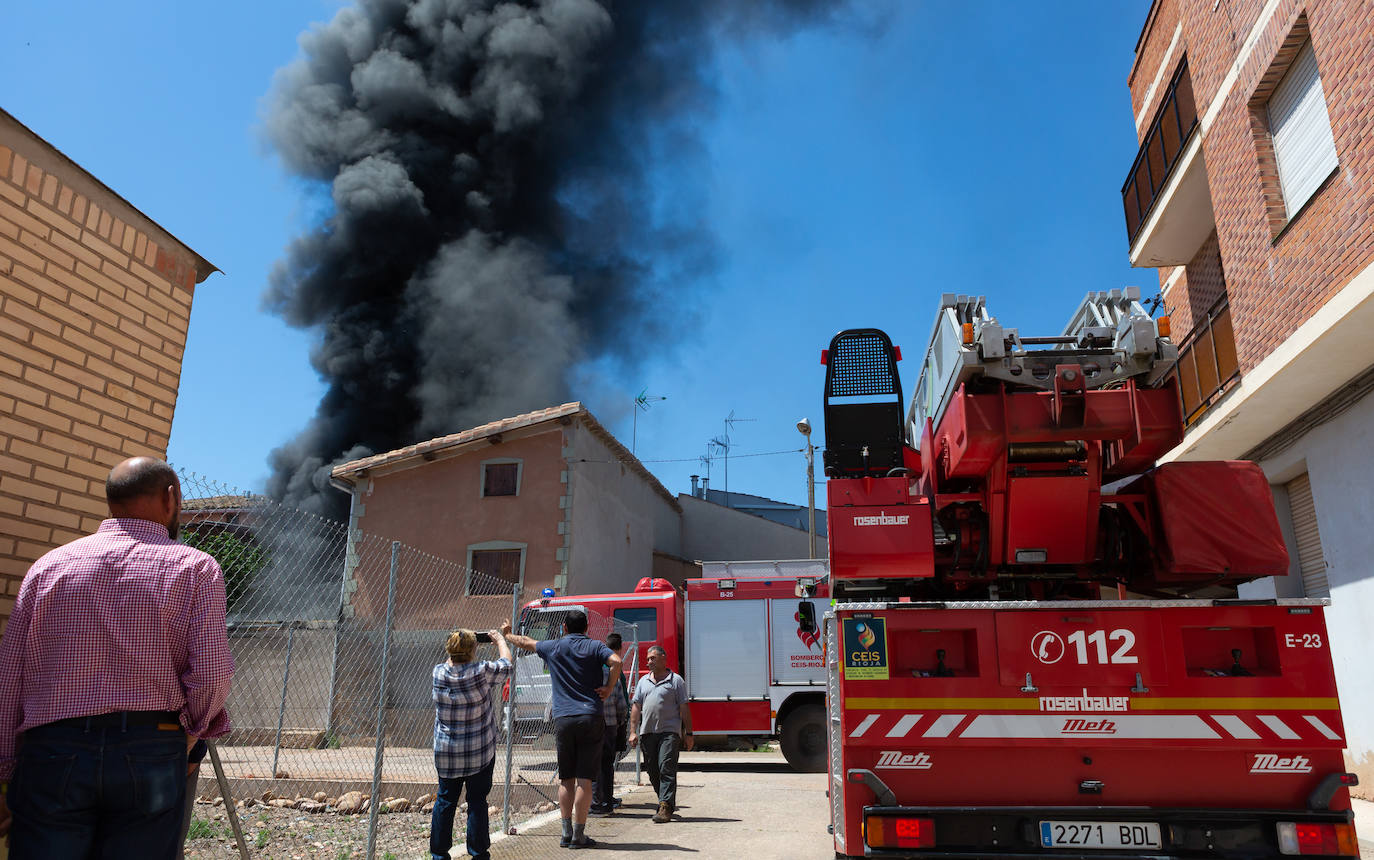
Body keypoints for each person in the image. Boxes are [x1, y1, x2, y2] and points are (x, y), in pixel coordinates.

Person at [0, 457, 235, 859]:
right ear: (171, 498)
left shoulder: (48, 568)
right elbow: (213, 673)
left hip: (53, 748)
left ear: (111, 501)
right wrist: (191, 733)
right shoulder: (195, 568)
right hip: (152, 748)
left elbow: (9, 680)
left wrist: (5, 770)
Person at [506, 610, 622, 849]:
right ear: (587, 627)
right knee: (585, 780)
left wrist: (507, 635)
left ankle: (565, 833)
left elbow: (526, 642)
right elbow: (617, 662)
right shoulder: (595, 646)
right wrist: (609, 687)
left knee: (566, 778)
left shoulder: (554, 646)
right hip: (590, 716)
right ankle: (580, 836)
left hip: (564, 718)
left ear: (564, 628)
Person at [429, 621, 513, 860]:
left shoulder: (438, 672)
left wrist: (460, 648)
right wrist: (499, 640)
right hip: (479, 751)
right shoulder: (481, 671)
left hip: (447, 752)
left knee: (445, 800)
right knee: (477, 801)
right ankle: (477, 853)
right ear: (473, 649)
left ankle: (439, 854)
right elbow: (506, 664)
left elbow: (451, 663)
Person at [628, 644, 693, 824]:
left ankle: (665, 806)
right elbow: (636, 707)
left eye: (653, 658)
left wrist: (689, 733)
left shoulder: (676, 681)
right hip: (648, 732)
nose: (649, 662)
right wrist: (633, 731)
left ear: (664, 658)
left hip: (669, 732)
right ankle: (664, 800)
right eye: (648, 659)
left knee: (666, 767)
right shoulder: (643, 682)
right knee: (652, 770)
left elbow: (684, 708)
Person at [590, 633, 629, 816]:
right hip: (611, 725)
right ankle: (607, 801)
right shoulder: (613, 675)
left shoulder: (587, 676)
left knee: (594, 765)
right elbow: (621, 703)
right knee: (607, 764)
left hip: (593, 723)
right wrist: (621, 721)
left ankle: (596, 803)